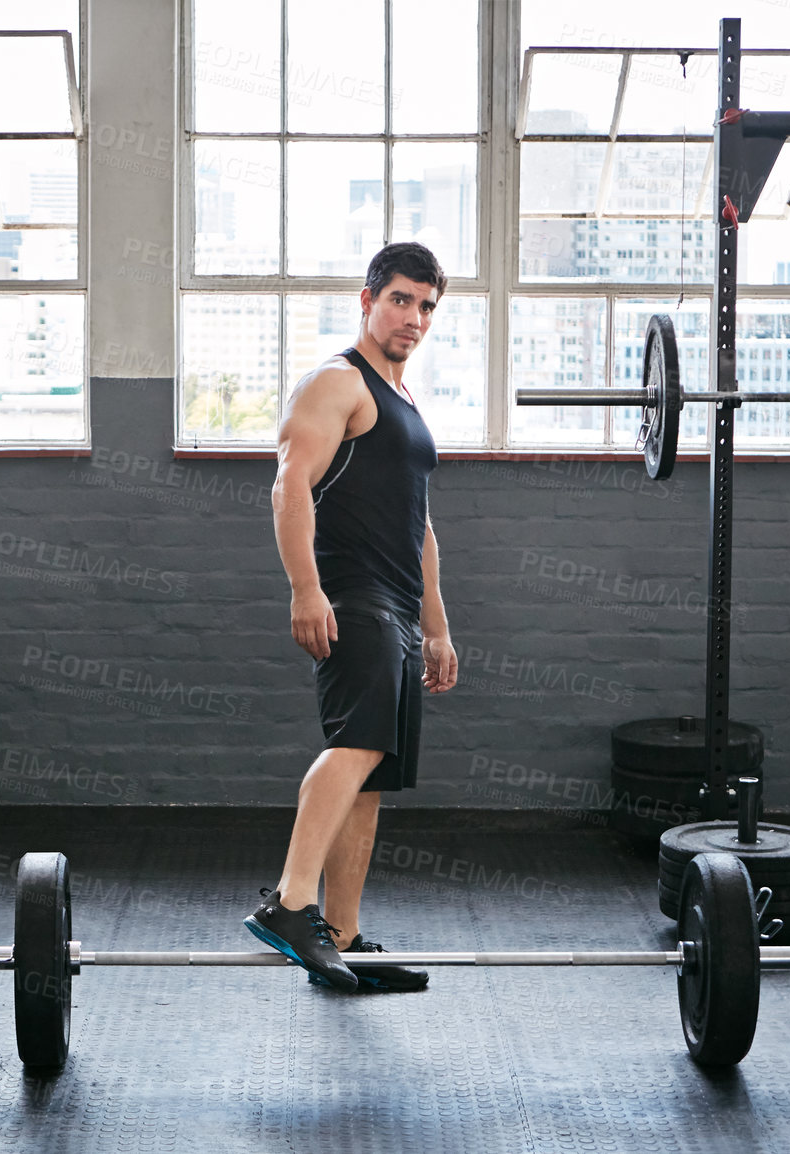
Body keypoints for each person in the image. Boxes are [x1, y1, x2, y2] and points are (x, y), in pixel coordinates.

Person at [244, 241, 460, 992]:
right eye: (400, 299)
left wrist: (434, 625)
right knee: (355, 744)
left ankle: (341, 932)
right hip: (353, 599)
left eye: (426, 305)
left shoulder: (402, 402)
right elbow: (288, 484)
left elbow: (420, 527)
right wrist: (305, 590)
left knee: (372, 778)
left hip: (398, 607)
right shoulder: (338, 382)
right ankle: (290, 903)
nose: (413, 317)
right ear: (366, 300)